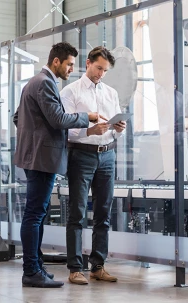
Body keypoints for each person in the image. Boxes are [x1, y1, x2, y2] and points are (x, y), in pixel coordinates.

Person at [13, 42, 105, 288]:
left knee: (38, 215)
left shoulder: (35, 82)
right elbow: (57, 119)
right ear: (56, 62)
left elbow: (17, 117)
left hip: (37, 156)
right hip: (41, 159)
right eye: (70, 64)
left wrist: (33, 135)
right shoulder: (45, 82)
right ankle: (31, 271)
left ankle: (36, 266)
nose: (71, 69)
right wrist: (89, 117)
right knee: (34, 215)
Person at [60, 46, 126, 285]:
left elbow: (115, 122)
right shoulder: (70, 92)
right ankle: (75, 268)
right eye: (98, 68)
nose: (101, 74)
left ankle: (98, 266)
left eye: (105, 70)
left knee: (103, 214)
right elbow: (65, 129)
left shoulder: (111, 93)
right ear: (87, 63)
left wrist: (118, 128)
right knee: (77, 213)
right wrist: (89, 130)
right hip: (82, 155)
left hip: (107, 155)